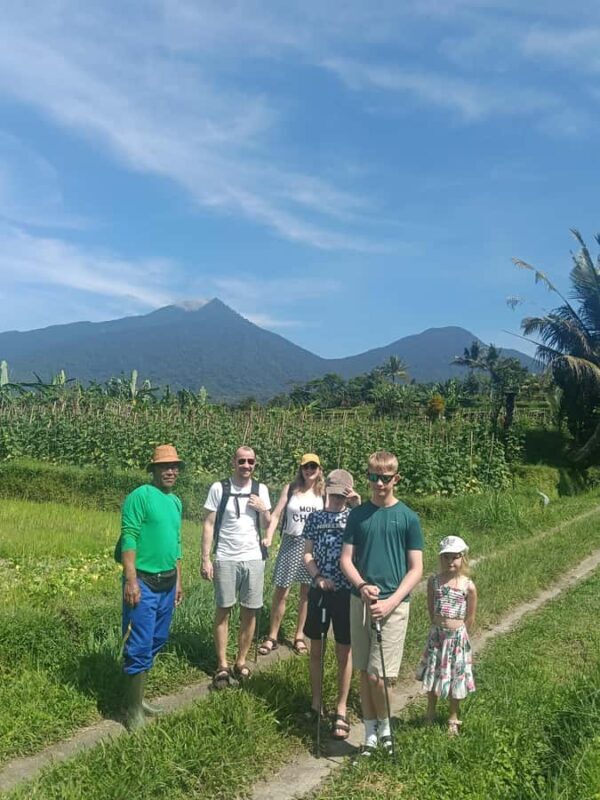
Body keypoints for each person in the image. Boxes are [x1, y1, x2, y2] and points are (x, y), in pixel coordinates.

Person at [340, 450, 424, 756]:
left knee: (381, 674)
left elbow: (416, 569)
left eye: (385, 478)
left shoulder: (408, 518)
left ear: (396, 479)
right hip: (360, 601)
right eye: (373, 477)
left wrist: (390, 603)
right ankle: (370, 732)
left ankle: (386, 728)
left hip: (394, 605)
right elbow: (346, 560)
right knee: (363, 670)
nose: (379, 483)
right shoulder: (357, 515)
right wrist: (361, 585)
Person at [120, 444, 184, 731]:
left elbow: (176, 542)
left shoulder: (176, 501)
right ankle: (131, 709)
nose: (170, 471)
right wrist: (131, 580)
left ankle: (139, 698)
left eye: (174, 467)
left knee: (157, 639)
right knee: (139, 643)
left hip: (168, 582)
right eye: (164, 467)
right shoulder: (140, 496)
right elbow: (129, 537)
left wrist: (179, 580)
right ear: (154, 470)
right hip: (143, 582)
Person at [201, 446, 271, 688]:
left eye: (251, 461)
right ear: (234, 462)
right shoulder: (219, 488)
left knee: (249, 611)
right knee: (223, 609)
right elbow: (209, 524)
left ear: (255, 464)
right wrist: (205, 558)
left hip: (253, 557)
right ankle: (222, 664)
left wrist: (264, 509)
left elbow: (267, 523)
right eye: (242, 461)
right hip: (226, 556)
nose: (246, 466)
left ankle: (240, 661)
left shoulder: (260, 489)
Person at [303, 469, 360, 740]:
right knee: (316, 648)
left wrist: (358, 507)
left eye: (342, 495)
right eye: (334, 494)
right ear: (326, 490)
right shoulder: (315, 518)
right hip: (321, 590)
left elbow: (366, 543)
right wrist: (317, 577)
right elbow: (307, 554)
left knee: (343, 651)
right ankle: (316, 703)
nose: (337, 500)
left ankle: (341, 708)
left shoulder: (355, 517)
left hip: (346, 592)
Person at [258, 454, 325, 657]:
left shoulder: (324, 492)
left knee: (306, 593)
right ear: (301, 469)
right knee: (282, 590)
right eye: (306, 466)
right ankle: (272, 636)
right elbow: (277, 513)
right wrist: (269, 536)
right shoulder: (291, 488)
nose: (309, 470)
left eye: (313, 466)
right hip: (291, 542)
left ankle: (299, 636)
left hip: (313, 546)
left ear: (319, 469)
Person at [416, 535, 477, 735]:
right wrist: (438, 625)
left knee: (456, 676)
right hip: (437, 637)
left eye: (455, 557)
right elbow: (431, 607)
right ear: (441, 559)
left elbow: (470, 615)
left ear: (463, 559)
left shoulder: (467, 585)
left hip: (457, 639)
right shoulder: (434, 582)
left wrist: (461, 633)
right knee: (433, 673)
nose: (450, 561)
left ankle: (453, 716)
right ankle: (430, 712)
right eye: (446, 557)